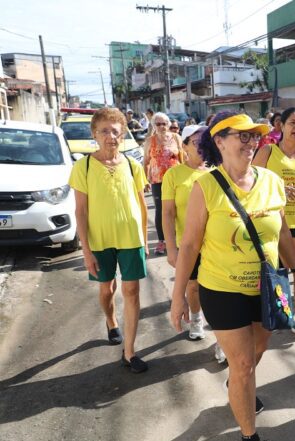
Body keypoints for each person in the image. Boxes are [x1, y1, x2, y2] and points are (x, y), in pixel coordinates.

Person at [170, 111, 295, 441]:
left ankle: (237, 382)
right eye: (242, 136)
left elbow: (284, 232)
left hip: (265, 288)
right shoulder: (206, 187)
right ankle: (250, 438)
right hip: (221, 290)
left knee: (256, 352)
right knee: (245, 362)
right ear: (219, 141)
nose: (251, 142)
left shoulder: (271, 181)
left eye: (255, 136)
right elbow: (188, 245)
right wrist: (178, 296)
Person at [68, 107, 149, 373]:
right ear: (95, 134)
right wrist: (86, 251)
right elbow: (80, 211)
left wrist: (145, 240)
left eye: (115, 131)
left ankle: (129, 352)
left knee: (133, 292)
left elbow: (142, 204)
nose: (110, 136)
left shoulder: (133, 165)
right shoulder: (84, 166)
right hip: (100, 241)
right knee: (106, 290)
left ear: (123, 133)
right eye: (104, 131)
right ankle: (111, 321)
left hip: (130, 238)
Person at [252, 107, 295, 339]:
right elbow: (251, 186)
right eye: (293, 122)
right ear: (281, 125)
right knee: (267, 274)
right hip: (271, 225)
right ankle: (258, 318)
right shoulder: (268, 152)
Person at [162, 124, 211, 341]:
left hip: (216, 244)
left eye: (205, 141)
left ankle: (221, 334)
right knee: (193, 287)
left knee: (218, 291)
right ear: (184, 146)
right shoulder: (174, 174)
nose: (201, 146)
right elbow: (168, 213)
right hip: (188, 244)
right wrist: (171, 248)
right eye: (196, 142)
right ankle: (196, 317)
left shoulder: (217, 171)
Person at [143, 112, 183, 256]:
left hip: (176, 179)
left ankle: (178, 239)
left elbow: (182, 158)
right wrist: (144, 179)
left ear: (168, 124)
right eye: (158, 124)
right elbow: (146, 161)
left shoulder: (176, 138)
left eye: (164, 123)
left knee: (178, 208)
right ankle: (162, 241)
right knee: (161, 210)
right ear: (153, 125)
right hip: (157, 180)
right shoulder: (150, 141)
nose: (161, 127)